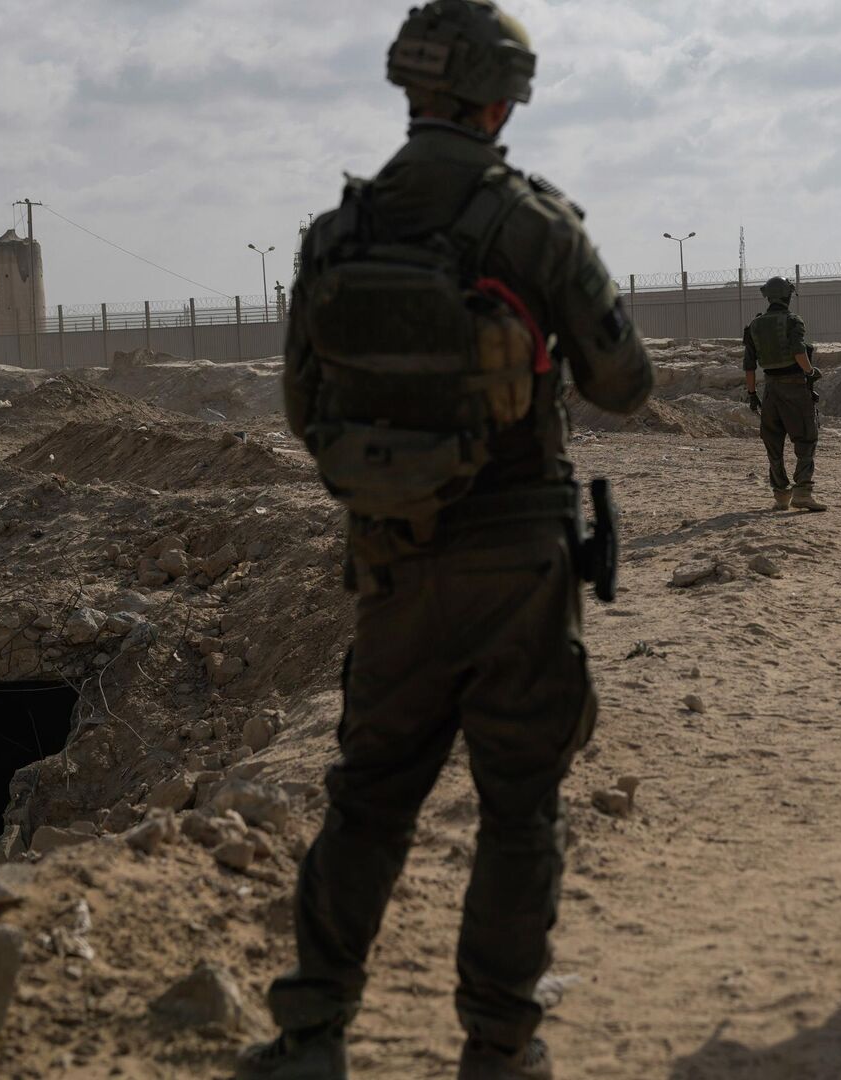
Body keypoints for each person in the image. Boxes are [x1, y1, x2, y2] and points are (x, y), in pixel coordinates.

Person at [238, 3, 652, 1077]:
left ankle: (312, 1033)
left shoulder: (340, 233)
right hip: (517, 561)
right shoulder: (533, 224)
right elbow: (625, 384)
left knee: (369, 801)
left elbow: (301, 409)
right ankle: (499, 1050)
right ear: (501, 95)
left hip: (392, 564)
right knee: (519, 813)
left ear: (412, 88)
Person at [743, 276, 826, 510]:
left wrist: (752, 394)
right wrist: (810, 372)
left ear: (768, 297)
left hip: (770, 389)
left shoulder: (755, 326)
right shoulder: (792, 321)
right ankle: (802, 492)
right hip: (794, 387)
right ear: (788, 296)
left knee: (773, 442)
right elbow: (799, 352)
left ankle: (780, 495)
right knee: (806, 440)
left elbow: (749, 365)